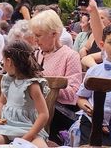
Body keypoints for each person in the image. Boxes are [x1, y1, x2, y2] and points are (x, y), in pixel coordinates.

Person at [0, 40, 49, 147]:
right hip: (6, 126)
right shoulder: (8, 81)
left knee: (40, 146)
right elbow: (1, 103)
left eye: (2, 62)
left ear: (9, 61)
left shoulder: (32, 85)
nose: (2, 65)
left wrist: (29, 136)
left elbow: (43, 114)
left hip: (28, 127)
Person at [28, 10, 82, 142]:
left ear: (54, 34)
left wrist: (46, 83)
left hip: (57, 110)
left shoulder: (70, 56)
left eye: (38, 35)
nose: (35, 40)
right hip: (35, 106)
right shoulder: (35, 54)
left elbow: (73, 94)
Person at [74, 23, 111, 146]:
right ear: (102, 45)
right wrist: (89, 109)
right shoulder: (94, 70)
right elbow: (81, 97)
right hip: (92, 122)